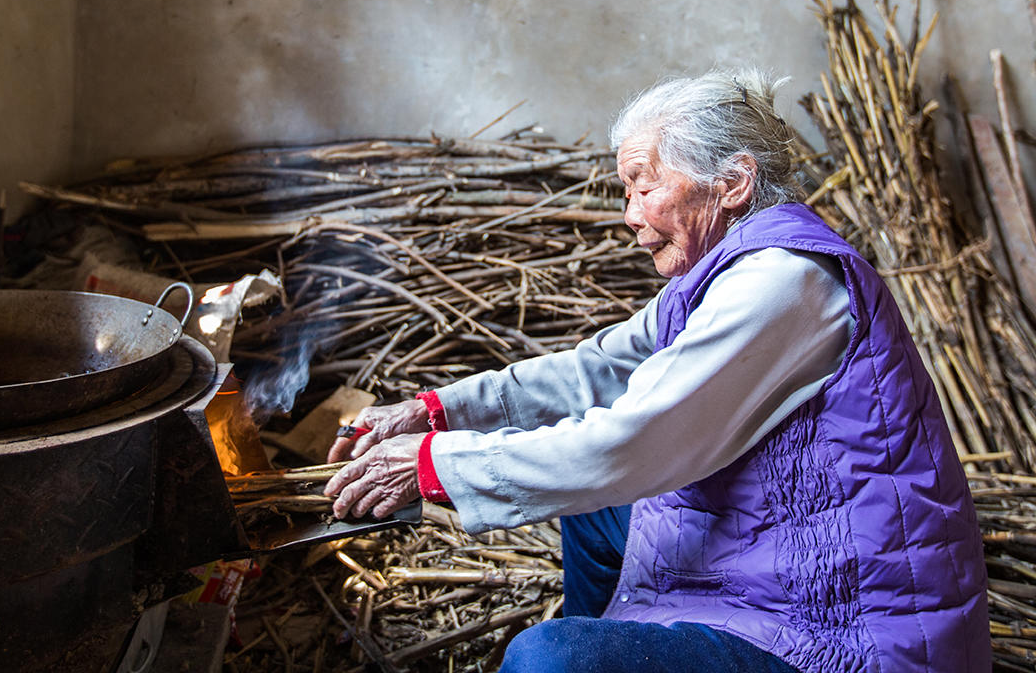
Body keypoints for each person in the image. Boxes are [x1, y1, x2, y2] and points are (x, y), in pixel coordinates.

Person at [323, 69, 990, 672]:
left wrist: (438, 465)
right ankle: (619, 640)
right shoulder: (723, 277)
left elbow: (635, 443)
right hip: (767, 561)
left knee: (548, 661)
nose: (630, 214)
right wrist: (436, 411)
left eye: (644, 186)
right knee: (597, 515)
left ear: (732, 183)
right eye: (626, 190)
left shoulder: (784, 285)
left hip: (844, 621)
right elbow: (601, 368)